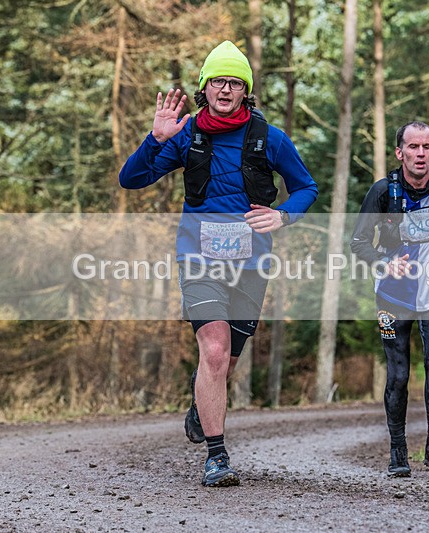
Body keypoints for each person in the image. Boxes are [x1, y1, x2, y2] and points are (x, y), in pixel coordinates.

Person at [119, 41, 318, 487]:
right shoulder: (186, 135)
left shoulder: (271, 138)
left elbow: (307, 187)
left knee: (224, 362)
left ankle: (200, 403)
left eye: (234, 82)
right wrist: (156, 139)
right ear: (204, 88)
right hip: (198, 258)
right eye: (217, 82)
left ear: (245, 91)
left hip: (251, 264)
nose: (225, 89)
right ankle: (217, 456)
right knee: (212, 350)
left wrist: (284, 215)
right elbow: (130, 180)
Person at [350, 121, 429, 477]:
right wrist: (385, 262)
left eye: (426, 147)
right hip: (392, 294)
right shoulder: (382, 192)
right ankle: (397, 450)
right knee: (399, 374)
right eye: (413, 147)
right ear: (399, 152)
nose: (420, 154)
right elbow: (357, 242)